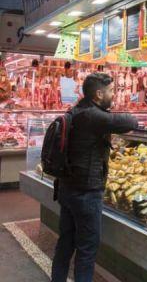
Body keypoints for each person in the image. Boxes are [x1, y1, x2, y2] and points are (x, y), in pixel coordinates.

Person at [51, 73, 138, 282]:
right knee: (87, 250)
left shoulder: (77, 110)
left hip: (68, 187)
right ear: (99, 94)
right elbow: (130, 121)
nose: (113, 94)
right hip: (86, 192)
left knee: (66, 242)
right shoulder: (93, 116)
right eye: (111, 91)